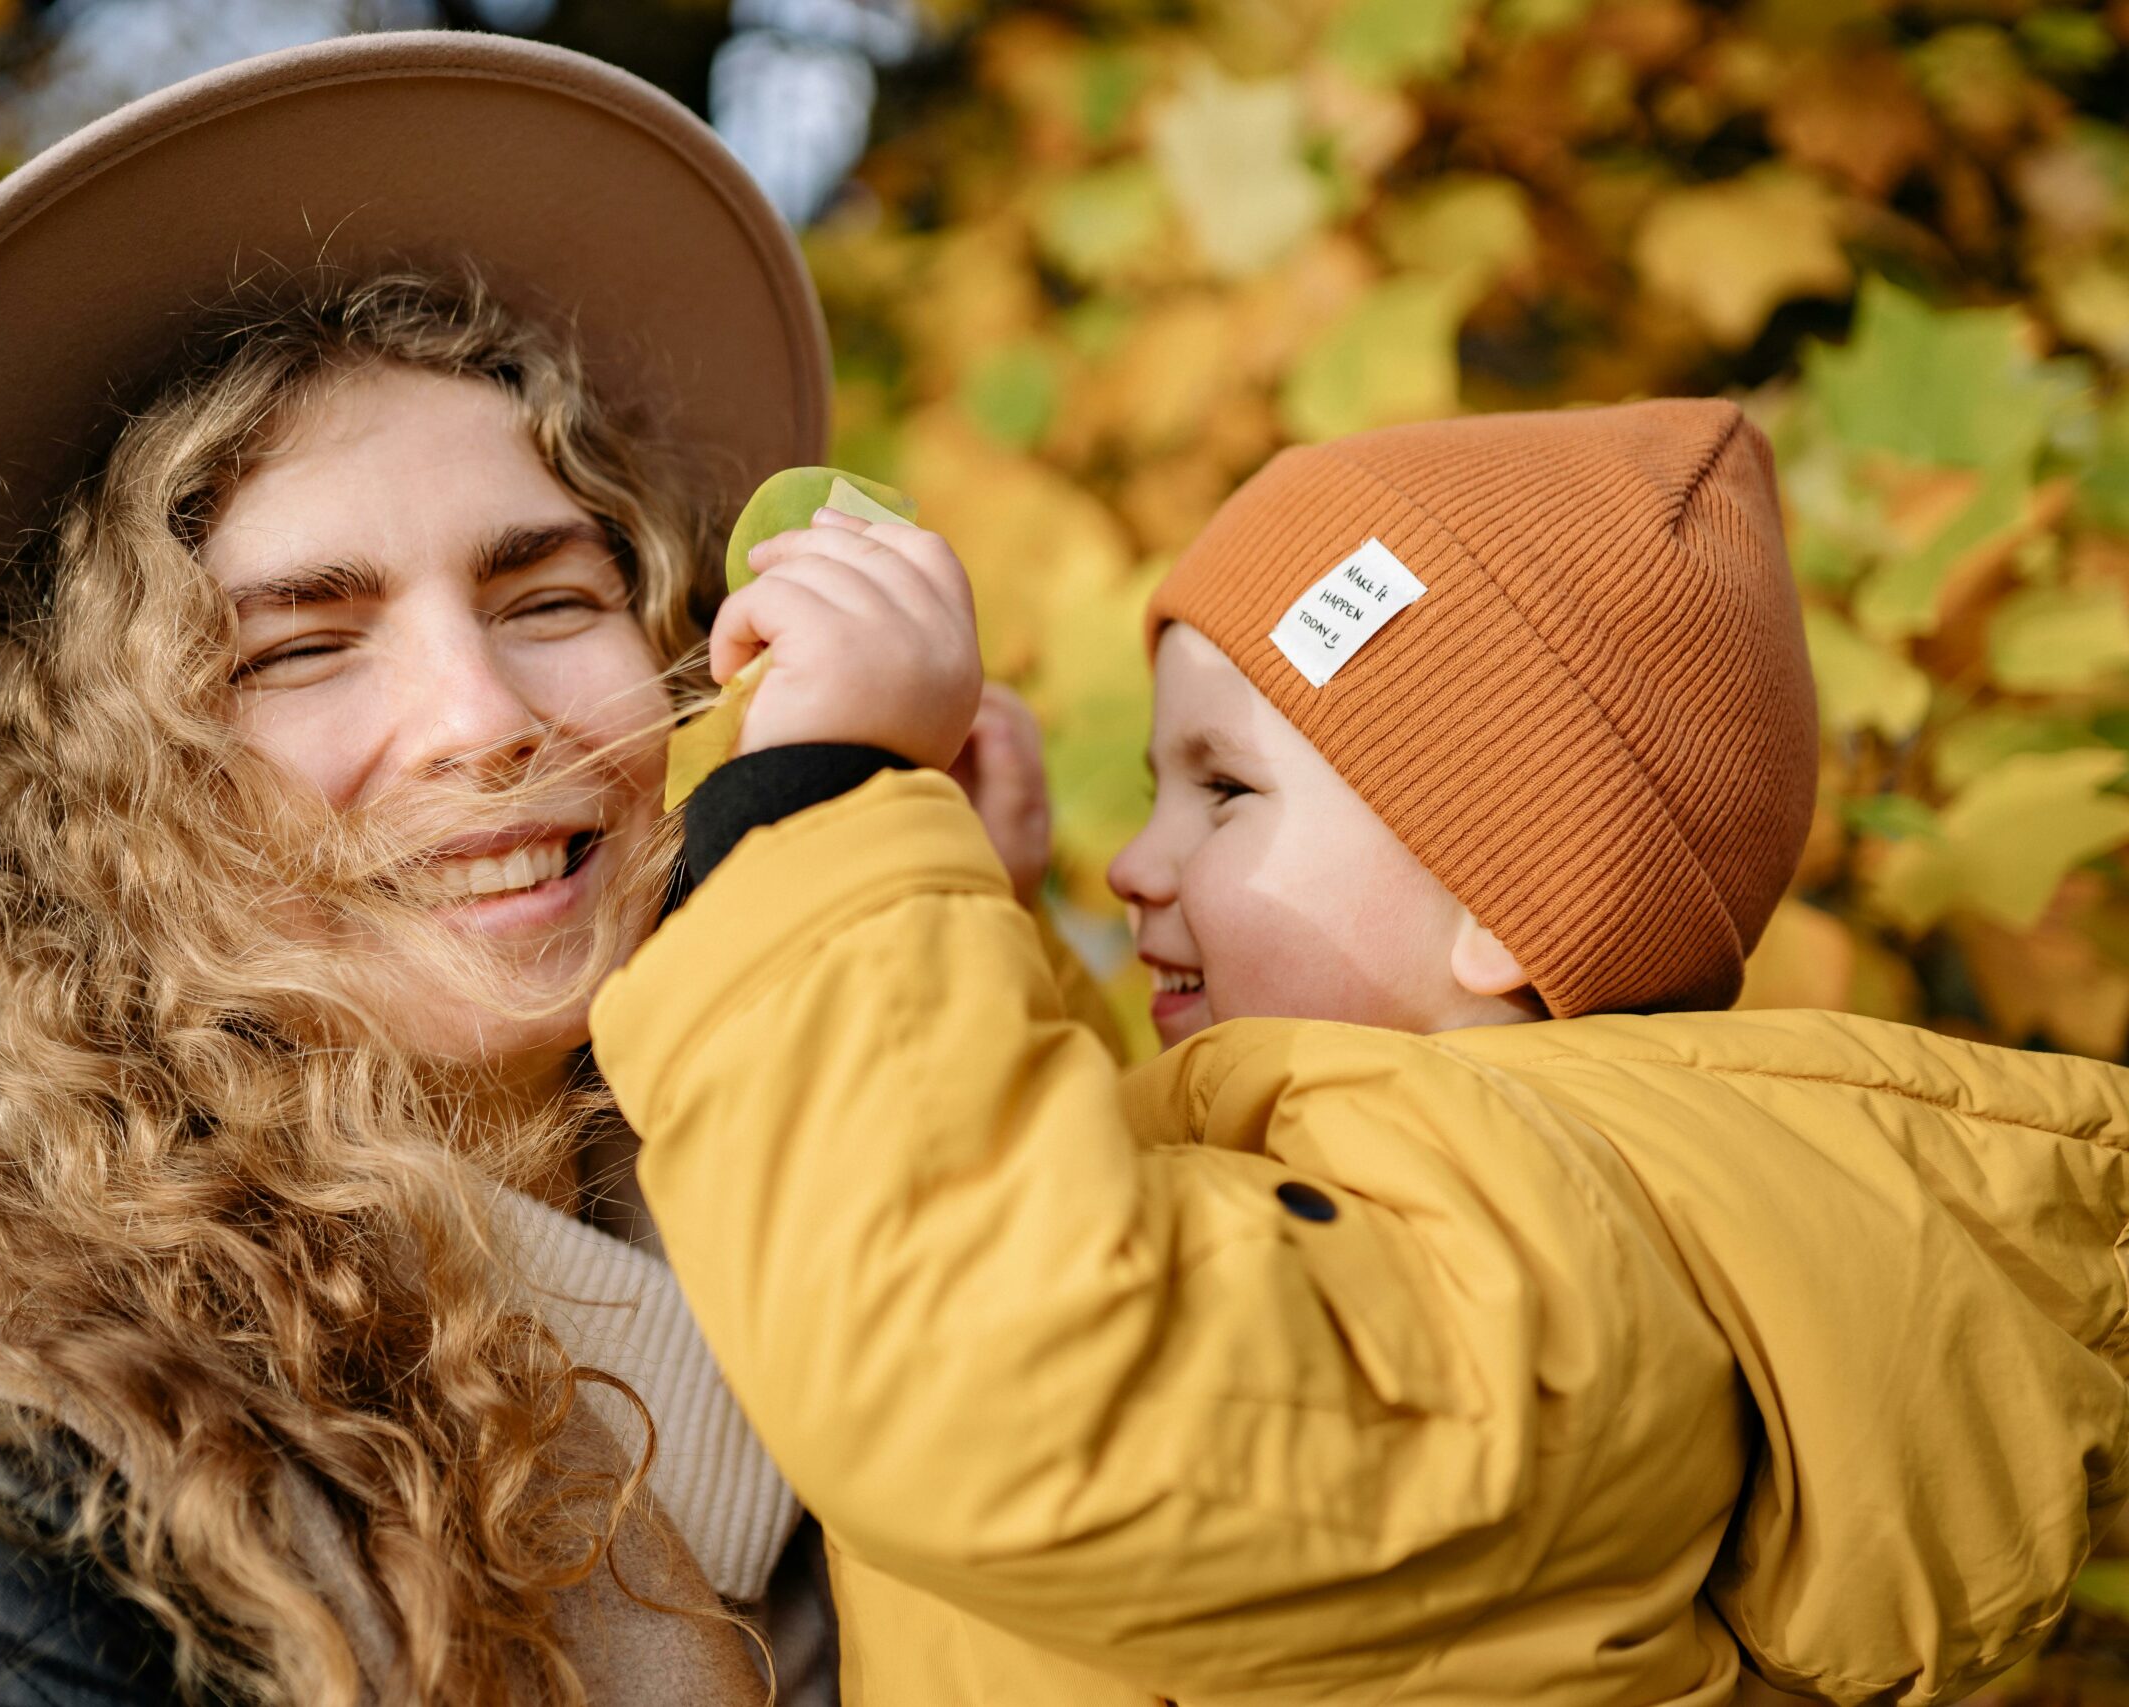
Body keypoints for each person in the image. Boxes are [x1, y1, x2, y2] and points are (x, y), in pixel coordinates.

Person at [588, 399, 2129, 1705]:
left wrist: (813, 816)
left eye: (1225, 791)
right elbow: (1143, 1224)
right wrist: (967, 917)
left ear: (1511, 906)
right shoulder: (1467, 1216)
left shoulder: (1554, 1274)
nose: (1136, 864)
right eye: (1156, 784)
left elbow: (1020, 1368)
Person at [0, 32, 887, 1707]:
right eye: (297, 650)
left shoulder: (886, 1249)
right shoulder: (11, 1530)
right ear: (90, 812)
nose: (483, 722)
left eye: (551, 598)